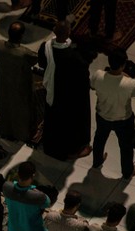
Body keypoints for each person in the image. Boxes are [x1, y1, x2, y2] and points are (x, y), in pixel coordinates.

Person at [38, 21, 92, 161]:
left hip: (52, 91)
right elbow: (82, 78)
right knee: (67, 125)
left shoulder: (46, 47)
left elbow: (42, 64)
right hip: (68, 96)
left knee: (52, 121)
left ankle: (50, 147)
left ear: (54, 31)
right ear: (69, 33)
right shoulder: (74, 56)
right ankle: (68, 151)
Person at [90, 49, 135, 180]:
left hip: (102, 115)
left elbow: (92, 86)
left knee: (99, 139)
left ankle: (97, 161)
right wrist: (127, 76)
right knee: (126, 146)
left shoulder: (98, 74)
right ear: (123, 65)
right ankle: (127, 171)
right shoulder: (130, 83)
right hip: (123, 119)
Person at [0, 21, 39, 142]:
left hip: (2, 83)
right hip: (19, 85)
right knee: (20, 111)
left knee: (3, 106)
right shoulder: (24, 53)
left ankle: (4, 129)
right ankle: (21, 134)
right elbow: (35, 59)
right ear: (21, 36)